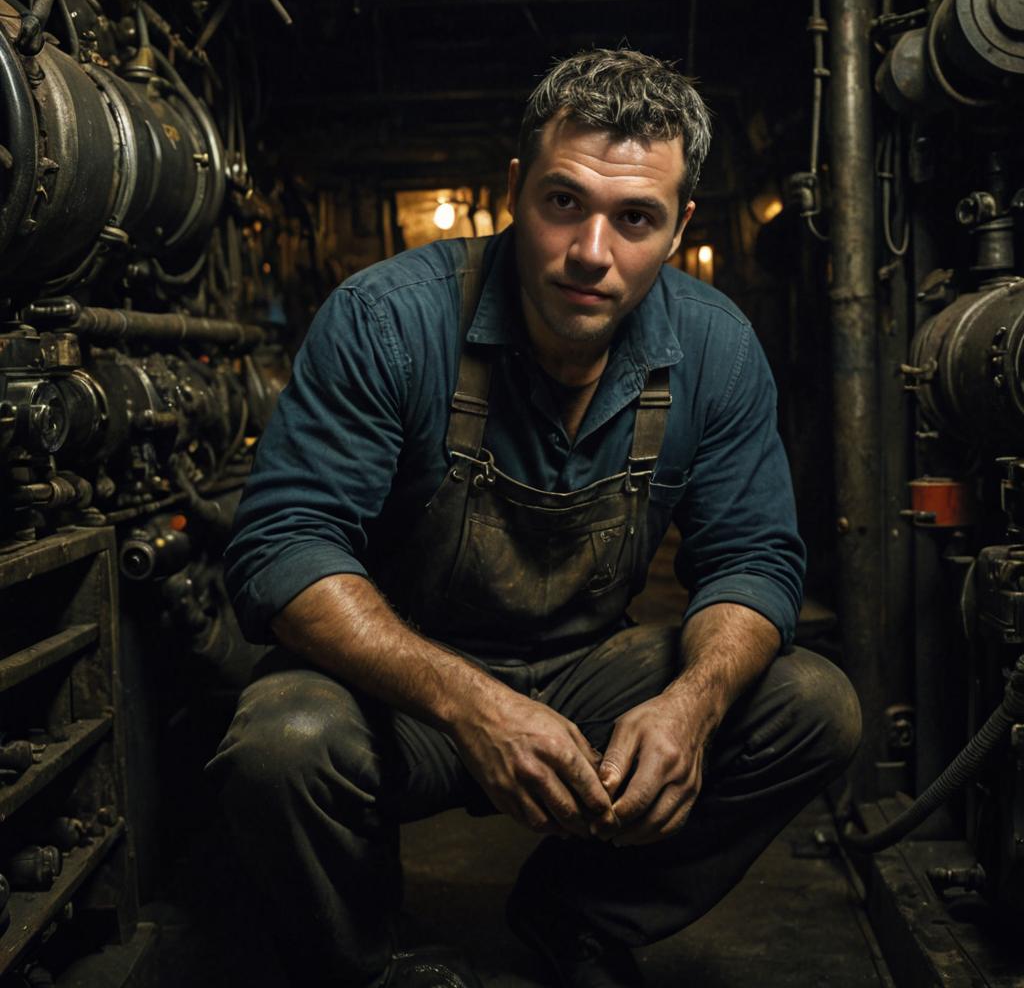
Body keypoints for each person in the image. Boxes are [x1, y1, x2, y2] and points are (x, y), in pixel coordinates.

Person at [209, 48, 861, 988]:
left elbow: (754, 558)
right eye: (565, 202)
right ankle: (368, 962)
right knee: (281, 746)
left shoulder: (715, 349)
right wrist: (471, 703)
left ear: (678, 226)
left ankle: (576, 915)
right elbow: (282, 546)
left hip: (587, 676)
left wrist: (691, 703)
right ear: (516, 189)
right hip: (406, 685)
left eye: (634, 218)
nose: (592, 252)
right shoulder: (390, 320)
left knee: (811, 705)